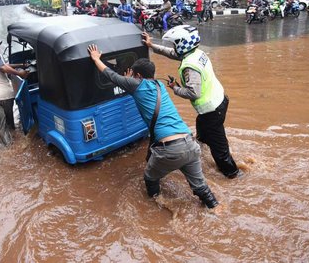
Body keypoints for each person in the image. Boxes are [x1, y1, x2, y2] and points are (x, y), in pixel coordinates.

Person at [86, 44, 219, 209]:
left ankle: (156, 206)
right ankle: (215, 208)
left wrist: (96, 58)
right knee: (200, 187)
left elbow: (110, 74)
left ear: (138, 75)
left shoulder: (135, 85)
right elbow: (140, 91)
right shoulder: (160, 86)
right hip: (190, 143)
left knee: (149, 177)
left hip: (169, 149)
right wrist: (130, 79)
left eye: (134, 75)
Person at [142, 26, 241, 179]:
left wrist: (175, 88)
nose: (173, 48)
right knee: (201, 132)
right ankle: (201, 148)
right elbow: (173, 54)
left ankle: (233, 174)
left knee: (219, 148)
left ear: (182, 44)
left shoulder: (190, 66)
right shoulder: (197, 53)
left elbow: (193, 93)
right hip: (220, 100)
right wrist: (152, 46)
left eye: (175, 44)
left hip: (212, 110)